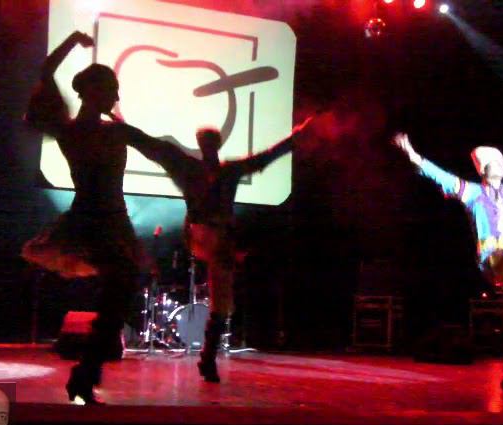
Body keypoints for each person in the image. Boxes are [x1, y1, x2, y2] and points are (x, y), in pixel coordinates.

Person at [22, 31, 203, 404]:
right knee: (117, 295)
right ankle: (84, 375)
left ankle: (85, 375)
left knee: (117, 297)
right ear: (93, 92)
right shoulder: (95, 131)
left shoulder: (81, 131)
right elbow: (160, 151)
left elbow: (159, 149)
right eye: (111, 90)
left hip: (104, 219)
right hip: (97, 220)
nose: (116, 97)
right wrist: (73, 40)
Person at [393, 133, 503, 392]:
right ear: (483, 169)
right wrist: (414, 156)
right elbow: (442, 177)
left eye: (500, 162)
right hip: (495, 258)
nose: (498, 166)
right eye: (492, 163)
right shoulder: (473, 194)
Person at [148, 118, 312, 383]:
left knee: (222, 300)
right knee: (221, 299)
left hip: (211, 236)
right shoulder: (208, 171)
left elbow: (263, 158)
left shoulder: (219, 170)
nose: (208, 147)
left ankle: (208, 357)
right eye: (207, 143)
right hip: (207, 234)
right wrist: (294, 138)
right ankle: (208, 358)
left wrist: (294, 138)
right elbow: (264, 158)